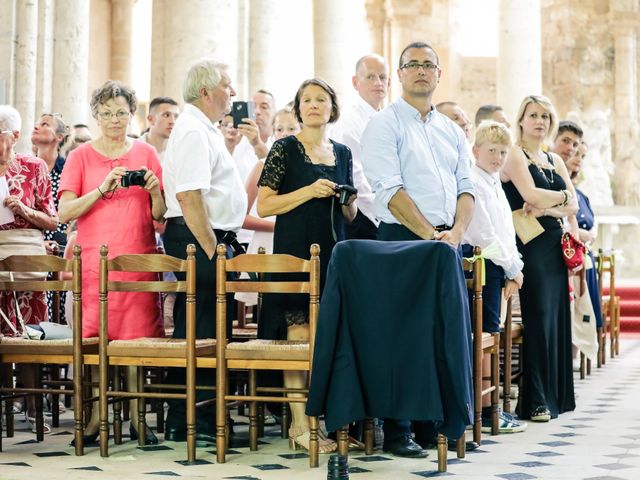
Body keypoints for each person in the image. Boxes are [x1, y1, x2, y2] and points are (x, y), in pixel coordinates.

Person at [362, 41, 475, 458]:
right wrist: (431, 234)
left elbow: (467, 186)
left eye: (429, 65)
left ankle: (433, 426)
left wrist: (457, 232)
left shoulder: (451, 130)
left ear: (439, 75)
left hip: (447, 243)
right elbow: (389, 190)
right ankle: (398, 430)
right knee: (404, 336)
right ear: (400, 74)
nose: (422, 71)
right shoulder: (385, 124)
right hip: (405, 241)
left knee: (441, 335)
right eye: (413, 65)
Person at [58, 80, 166, 445]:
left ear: (131, 113)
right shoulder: (81, 156)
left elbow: (161, 216)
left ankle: (138, 418)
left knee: (135, 342)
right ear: (96, 115)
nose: (114, 120)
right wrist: (102, 188)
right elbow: (65, 211)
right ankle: (94, 419)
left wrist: (154, 190)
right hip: (94, 263)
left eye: (121, 112)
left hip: (136, 258)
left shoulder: (147, 153)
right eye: (106, 113)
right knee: (95, 340)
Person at [257, 78, 357, 453]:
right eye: (307, 100)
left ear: (332, 107)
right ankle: (301, 423)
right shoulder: (284, 148)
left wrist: (348, 200)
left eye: (321, 99)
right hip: (293, 252)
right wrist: (308, 191)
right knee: (297, 336)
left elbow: (351, 212)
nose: (314, 105)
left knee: (328, 335)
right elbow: (265, 205)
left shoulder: (343, 153)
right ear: (298, 109)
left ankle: (327, 415)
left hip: (334, 252)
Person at [161, 59, 247, 444]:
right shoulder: (194, 130)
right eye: (227, 86)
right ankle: (189, 419)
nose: (232, 93)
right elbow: (189, 196)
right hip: (200, 239)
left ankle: (202, 415)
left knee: (210, 327)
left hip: (207, 237)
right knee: (200, 330)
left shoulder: (203, 128)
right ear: (205, 91)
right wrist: (214, 251)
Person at [501, 95, 579, 423]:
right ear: (521, 120)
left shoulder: (552, 158)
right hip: (529, 244)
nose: (540, 122)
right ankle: (534, 400)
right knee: (538, 318)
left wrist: (551, 205)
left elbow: (573, 206)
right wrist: (560, 197)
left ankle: (555, 395)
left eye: (546, 116)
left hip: (553, 243)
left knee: (556, 320)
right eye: (533, 115)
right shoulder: (515, 154)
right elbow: (529, 194)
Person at [461, 120, 527, 434]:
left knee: (493, 337)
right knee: (485, 337)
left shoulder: (494, 182)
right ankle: (485, 411)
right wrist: (512, 268)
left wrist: (516, 266)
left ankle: (493, 407)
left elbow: (507, 231)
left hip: (500, 267)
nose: (498, 157)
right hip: (484, 268)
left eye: (503, 152)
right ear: (475, 150)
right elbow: (484, 235)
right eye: (491, 150)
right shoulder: (472, 181)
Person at [0, 105, 58, 433]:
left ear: (15, 136)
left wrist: (23, 208)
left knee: (29, 331)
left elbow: (52, 218)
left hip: (27, 256)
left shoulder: (33, 167)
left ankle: (34, 407)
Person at [331, 54, 390, 240]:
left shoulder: (388, 120)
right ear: (356, 82)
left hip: (387, 210)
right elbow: (354, 174)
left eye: (383, 77)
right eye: (370, 77)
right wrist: (381, 214)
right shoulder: (349, 122)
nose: (378, 82)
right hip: (361, 215)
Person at [563, 140, 604, 335]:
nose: (578, 159)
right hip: (569, 253)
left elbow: (592, 223)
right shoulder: (562, 186)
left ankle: (581, 342)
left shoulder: (581, 194)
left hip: (584, 253)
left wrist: (590, 234)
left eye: (582, 156)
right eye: (576, 153)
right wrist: (582, 234)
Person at [140, 96, 180, 161]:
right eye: (166, 115)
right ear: (150, 119)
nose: (173, 121)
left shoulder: (179, 151)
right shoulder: (132, 147)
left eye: (176, 116)